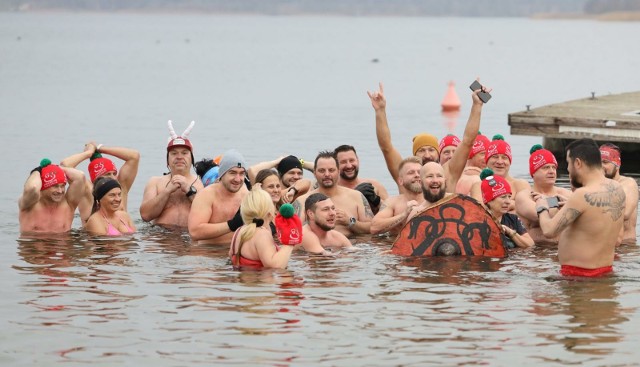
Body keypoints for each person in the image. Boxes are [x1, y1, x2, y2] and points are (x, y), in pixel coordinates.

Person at [367, 81, 485, 195]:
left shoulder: (448, 173)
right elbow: (386, 146)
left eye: (431, 150)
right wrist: (380, 111)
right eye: (422, 151)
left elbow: (467, 141)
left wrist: (477, 105)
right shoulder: (406, 175)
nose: (427, 155)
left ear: (438, 153)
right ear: (414, 155)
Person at [535, 138, 625, 277]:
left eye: (568, 163)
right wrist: (572, 205)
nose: (568, 169)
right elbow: (597, 221)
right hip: (605, 272)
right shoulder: (617, 188)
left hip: (578, 277)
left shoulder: (581, 194)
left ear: (577, 163)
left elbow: (549, 230)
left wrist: (542, 208)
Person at [139, 121, 204, 228]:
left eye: (184, 153)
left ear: (191, 158)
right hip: (159, 236)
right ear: (167, 160)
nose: (179, 157)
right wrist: (167, 191)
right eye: (174, 153)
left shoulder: (201, 183)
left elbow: (209, 215)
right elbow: (145, 215)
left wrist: (189, 191)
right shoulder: (155, 182)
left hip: (188, 238)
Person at [293, 151, 373, 236]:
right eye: (322, 171)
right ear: (315, 173)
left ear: (338, 172)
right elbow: (293, 232)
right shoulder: (302, 201)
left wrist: (350, 222)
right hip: (316, 246)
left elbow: (372, 228)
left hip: (354, 246)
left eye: (331, 170)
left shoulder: (356, 196)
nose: (327, 174)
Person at [61, 142, 140, 224]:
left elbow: (134, 156)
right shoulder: (87, 190)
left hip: (122, 234)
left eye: (114, 173)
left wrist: (99, 148)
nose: (113, 178)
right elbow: (65, 165)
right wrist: (88, 153)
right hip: (96, 236)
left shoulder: (119, 189)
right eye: (107, 174)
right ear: (96, 178)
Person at [188, 149, 250, 245]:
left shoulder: (246, 195)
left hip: (235, 253)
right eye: (232, 173)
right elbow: (195, 232)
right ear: (222, 174)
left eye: (241, 173)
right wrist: (231, 225)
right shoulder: (206, 196)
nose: (238, 179)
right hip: (207, 254)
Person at [515, 145, 572, 245]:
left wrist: (545, 200)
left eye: (554, 167)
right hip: (535, 253)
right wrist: (562, 204)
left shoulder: (565, 192)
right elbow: (540, 215)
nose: (551, 171)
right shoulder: (524, 196)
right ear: (533, 173)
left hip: (562, 249)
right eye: (546, 167)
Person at [228, 189, 298, 269]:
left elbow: (231, 255)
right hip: (261, 280)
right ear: (270, 213)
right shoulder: (262, 234)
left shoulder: (239, 231)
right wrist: (290, 241)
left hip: (243, 279)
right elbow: (274, 266)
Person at [19, 159, 86, 234]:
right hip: (35, 244)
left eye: (63, 186)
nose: (60, 191)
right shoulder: (29, 203)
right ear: (43, 187)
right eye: (55, 186)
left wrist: (56, 168)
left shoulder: (68, 203)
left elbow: (80, 176)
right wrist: (37, 171)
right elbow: (33, 187)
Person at [470, 135, 530, 212]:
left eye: (504, 158)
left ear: (509, 162)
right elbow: (478, 211)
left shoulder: (520, 184)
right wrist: (513, 204)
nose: (500, 162)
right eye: (495, 157)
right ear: (487, 161)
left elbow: (528, 210)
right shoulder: (479, 185)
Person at [480, 169, 534, 249]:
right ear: (489, 201)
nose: (508, 202)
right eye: (503, 197)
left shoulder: (513, 219)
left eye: (509, 196)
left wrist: (510, 232)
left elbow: (530, 244)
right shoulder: (478, 220)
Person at [370, 156, 423, 235]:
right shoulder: (392, 203)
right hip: (396, 244)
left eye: (420, 172)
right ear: (400, 181)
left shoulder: (435, 200)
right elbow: (374, 228)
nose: (417, 175)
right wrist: (404, 215)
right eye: (411, 172)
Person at [334, 144, 389, 214]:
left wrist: (376, 200)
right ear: (335, 165)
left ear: (358, 161)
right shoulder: (333, 190)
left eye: (352, 160)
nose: (349, 166)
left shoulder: (375, 185)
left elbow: (391, 211)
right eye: (343, 162)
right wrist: (354, 195)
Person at [600, 143, 638, 245]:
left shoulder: (628, 183)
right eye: (598, 163)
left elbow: (624, 213)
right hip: (604, 246)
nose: (601, 166)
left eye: (605, 162)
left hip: (625, 249)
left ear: (617, 165)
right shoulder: (597, 185)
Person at [247, 155, 312, 203]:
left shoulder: (302, 191)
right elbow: (252, 170)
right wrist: (277, 161)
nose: (296, 177)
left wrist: (301, 162)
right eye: (291, 173)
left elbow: (320, 172)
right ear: (281, 175)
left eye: (299, 173)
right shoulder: (268, 193)